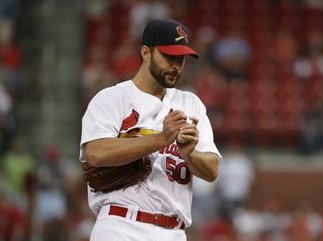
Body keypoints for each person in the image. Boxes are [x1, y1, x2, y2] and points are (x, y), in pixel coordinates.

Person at [80, 18, 222, 241]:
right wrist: (161, 139)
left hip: (173, 232)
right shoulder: (111, 99)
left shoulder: (190, 103)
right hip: (121, 225)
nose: (176, 65)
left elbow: (212, 170)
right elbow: (95, 153)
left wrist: (189, 154)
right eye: (169, 56)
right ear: (146, 53)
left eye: (181, 58)